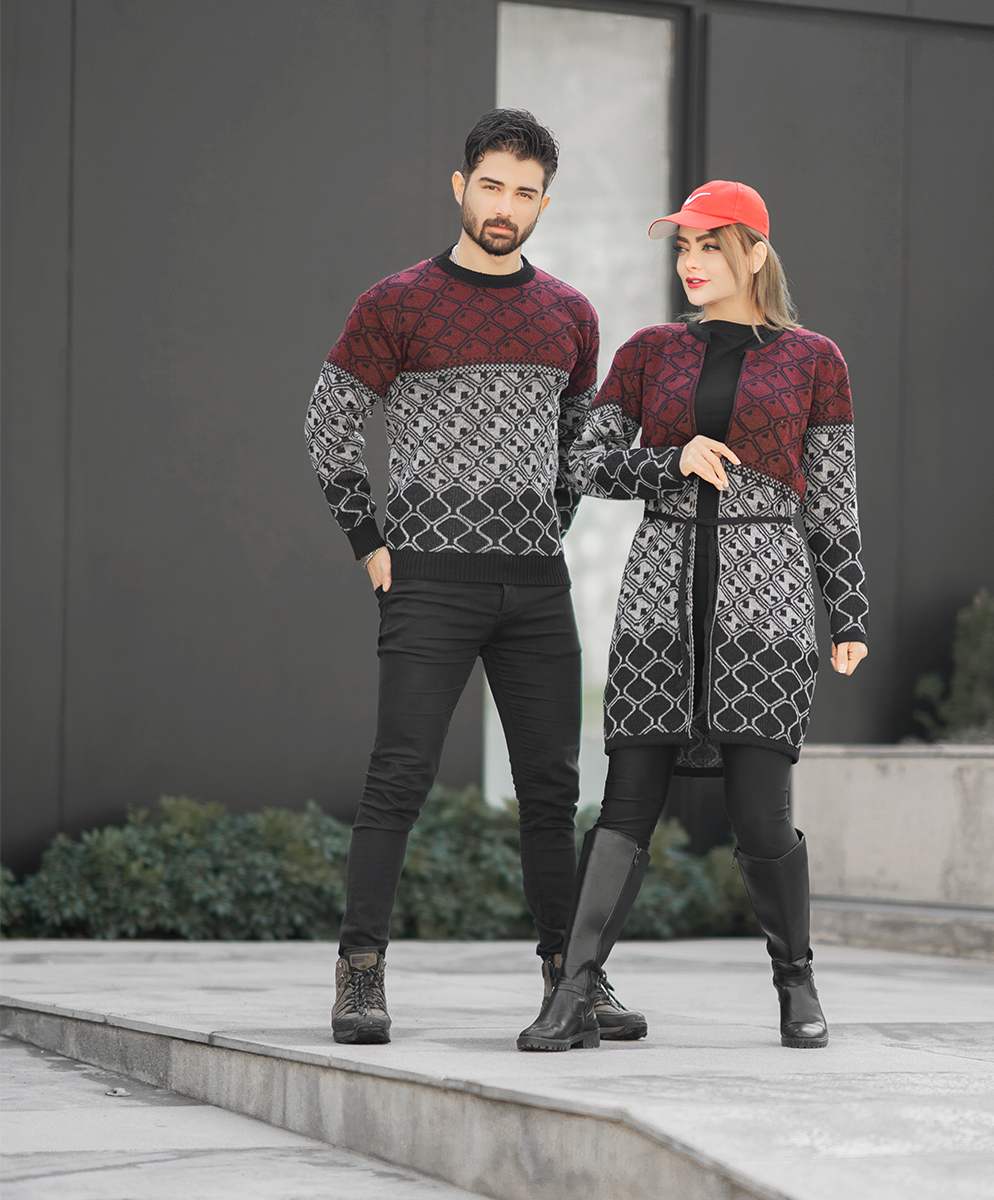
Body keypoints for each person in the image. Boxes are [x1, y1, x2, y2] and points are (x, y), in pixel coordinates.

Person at [305, 109, 645, 1045]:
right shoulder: (398, 303)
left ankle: (572, 980)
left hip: (535, 587)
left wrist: (546, 530)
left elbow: (576, 447)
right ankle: (360, 974)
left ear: (543, 205)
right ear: (461, 187)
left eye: (525, 192)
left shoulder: (570, 314)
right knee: (399, 777)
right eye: (492, 186)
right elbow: (328, 421)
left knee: (552, 789)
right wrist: (370, 540)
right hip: (429, 581)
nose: (506, 206)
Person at [517, 181, 868, 1052]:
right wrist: (668, 460)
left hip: (766, 602)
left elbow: (833, 498)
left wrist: (848, 613)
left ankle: (796, 980)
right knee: (627, 799)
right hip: (660, 602)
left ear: (754, 251)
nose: (692, 263)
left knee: (760, 812)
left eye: (710, 245)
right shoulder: (649, 353)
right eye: (683, 247)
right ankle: (575, 990)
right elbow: (583, 461)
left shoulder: (815, 359)